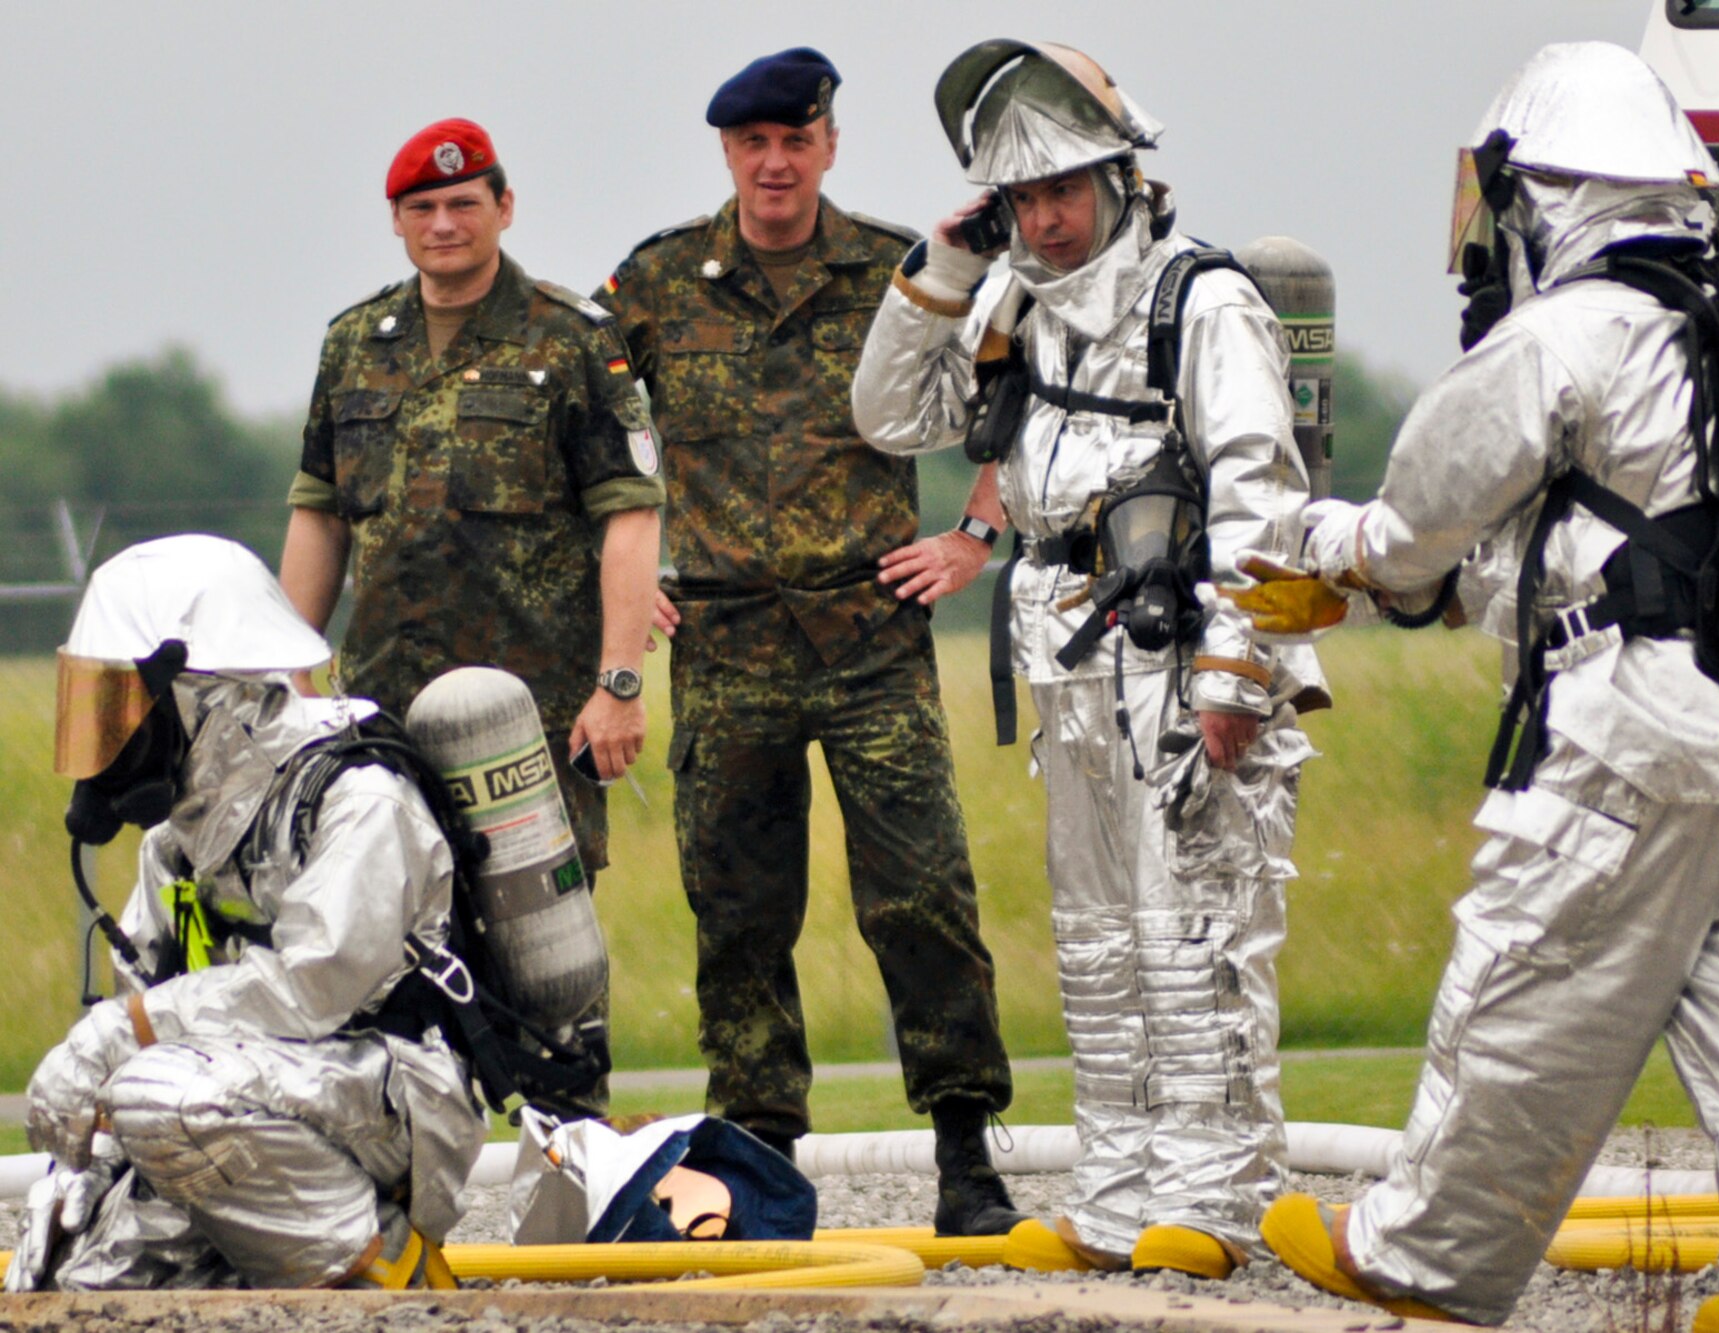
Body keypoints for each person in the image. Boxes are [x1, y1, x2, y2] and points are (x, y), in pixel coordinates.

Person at [1237, 43, 1719, 1332]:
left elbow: (1410, 535)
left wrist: (1316, 544)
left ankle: (1422, 1259)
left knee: (1526, 987)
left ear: (1546, 196)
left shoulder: (1561, 337)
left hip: (1628, 736)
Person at [852, 40, 1328, 1279]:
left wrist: (1237, 669)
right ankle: (1119, 1201)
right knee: (1101, 944)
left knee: (1196, 936)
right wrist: (947, 265)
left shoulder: (1200, 301)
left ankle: (1214, 1203)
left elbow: (1258, 492)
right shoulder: (1011, 303)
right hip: (1066, 657)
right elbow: (889, 416)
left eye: (1066, 190)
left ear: (1123, 177)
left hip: (1181, 654)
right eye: (1022, 199)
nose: (1047, 219)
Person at [592, 48, 1022, 1236]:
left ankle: (964, 1152)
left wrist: (974, 533)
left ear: (828, 143)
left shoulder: (904, 273)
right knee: (736, 909)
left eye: (795, 139)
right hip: (725, 638)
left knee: (922, 895)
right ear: (727, 154)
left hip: (870, 632)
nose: (774, 163)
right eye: (751, 144)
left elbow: (1019, 390)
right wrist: (622, 592)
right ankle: (759, 1162)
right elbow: (581, 432)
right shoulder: (655, 280)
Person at [279, 118, 665, 1111]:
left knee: (546, 967)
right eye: (423, 207)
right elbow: (319, 514)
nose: (443, 223)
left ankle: (576, 1185)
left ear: (503, 207)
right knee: (380, 953)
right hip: (380, 721)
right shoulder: (355, 341)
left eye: (462, 202)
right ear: (397, 222)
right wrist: (284, 675)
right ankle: (401, 1194)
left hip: (527, 722)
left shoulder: (570, 338)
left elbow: (629, 520)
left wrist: (618, 685)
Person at [10, 535, 483, 1292]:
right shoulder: (174, 843)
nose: (107, 739)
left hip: (394, 1093)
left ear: (205, 695)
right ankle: (266, 1276)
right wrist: (84, 1172)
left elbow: (311, 989)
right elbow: (153, 997)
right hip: (240, 1093)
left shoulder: (357, 798)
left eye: (121, 706)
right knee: (77, 1278)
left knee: (161, 1093)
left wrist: (121, 1029)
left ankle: (389, 1270)